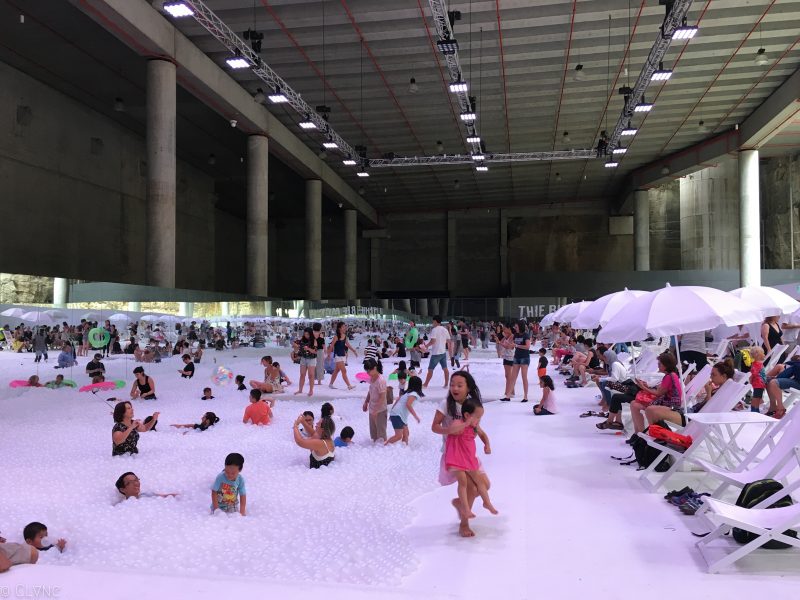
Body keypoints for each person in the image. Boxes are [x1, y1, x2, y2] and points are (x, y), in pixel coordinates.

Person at [431, 371, 492, 538]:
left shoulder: (472, 405)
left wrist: (486, 442)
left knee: (485, 485)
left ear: (468, 388)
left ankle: (460, 504)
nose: (454, 388)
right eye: (452, 385)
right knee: (471, 487)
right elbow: (434, 426)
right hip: (453, 453)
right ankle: (464, 523)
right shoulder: (445, 404)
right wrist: (448, 430)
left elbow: (476, 428)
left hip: (468, 452)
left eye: (459, 385)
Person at [445, 397, 497, 519]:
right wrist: (465, 423)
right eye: (477, 417)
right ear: (467, 415)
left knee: (479, 480)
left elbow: (483, 434)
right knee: (463, 482)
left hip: (469, 458)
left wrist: (487, 445)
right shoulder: (458, 423)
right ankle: (466, 509)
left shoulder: (475, 426)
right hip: (456, 458)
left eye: (480, 417)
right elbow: (451, 430)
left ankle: (487, 502)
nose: (479, 420)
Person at [629, 352, 684, 434]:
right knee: (633, 404)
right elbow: (661, 391)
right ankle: (638, 433)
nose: (658, 365)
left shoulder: (669, 377)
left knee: (635, 405)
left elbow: (658, 394)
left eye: (660, 364)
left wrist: (643, 387)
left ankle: (640, 433)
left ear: (666, 365)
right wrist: (646, 386)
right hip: (666, 403)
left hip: (669, 406)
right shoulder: (672, 375)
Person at [386, 375, 422, 445]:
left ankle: (404, 450)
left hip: (399, 415)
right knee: (398, 436)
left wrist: (392, 412)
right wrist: (416, 417)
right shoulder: (413, 394)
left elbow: (398, 400)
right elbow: (408, 405)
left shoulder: (407, 393)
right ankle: (385, 446)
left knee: (406, 434)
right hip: (398, 415)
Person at [362, 358, 388, 442]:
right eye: (367, 371)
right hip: (372, 409)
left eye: (369, 371)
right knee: (374, 434)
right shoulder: (372, 378)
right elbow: (371, 391)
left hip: (380, 410)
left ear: (375, 368)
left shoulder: (381, 381)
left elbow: (382, 397)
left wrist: (376, 410)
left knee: (381, 434)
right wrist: (366, 402)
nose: (368, 373)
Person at [505, 320, 531, 402]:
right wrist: (508, 344)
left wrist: (516, 345)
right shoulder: (515, 335)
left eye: (516, 327)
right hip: (516, 357)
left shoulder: (526, 335)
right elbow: (512, 346)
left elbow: (527, 346)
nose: (515, 328)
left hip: (524, 357)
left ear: (520, 327)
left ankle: (525, 396)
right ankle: (508, 396)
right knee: (513, 377)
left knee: (524, 377)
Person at [423, 316, 451, 389]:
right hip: (443, 352)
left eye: (433, 321)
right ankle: (446, 384)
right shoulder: (445, 330)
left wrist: (426, 346)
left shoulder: (434, 330)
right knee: (445, 369)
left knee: (430, 369)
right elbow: (448, 341)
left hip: (436, 353)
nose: (432, 323)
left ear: (435, 321)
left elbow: (433, 341)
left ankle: (425, 384)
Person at [328, 322, 358, 390]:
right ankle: (349, 386)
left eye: (345, 326)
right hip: (337, 355)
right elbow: (331, 346)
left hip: (343, 355)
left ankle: (330, 384)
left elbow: (348, 345)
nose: (345, 327)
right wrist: (329, 355)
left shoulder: (344, 336)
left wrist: (354, 351)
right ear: (340, 328)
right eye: (344, 326)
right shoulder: (336, 336)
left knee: (336, 371)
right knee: (344, 370)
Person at [295, 327, 317, 397]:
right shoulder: (302, 339)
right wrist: (297, 346)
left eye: (307, 334)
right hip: (303, 358)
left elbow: (315, 351)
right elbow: (294, 343)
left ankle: (311, 390)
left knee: (311, 375)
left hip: (311, 359)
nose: (306, 335)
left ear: (310, 334)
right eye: (305, 334)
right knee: (302, 374)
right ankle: (300, 389)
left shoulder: (314, 341)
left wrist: (308, 349)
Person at [747, 347, 767, 413]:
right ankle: (755, 409)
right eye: (763, 353)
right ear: (758, 355)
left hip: (758, 383)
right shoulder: (758, 364)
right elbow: (754, 373)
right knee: (757, 397)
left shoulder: (756, 363)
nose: (764, 355)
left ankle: (753, 408)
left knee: (756, 396)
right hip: (759, 383)